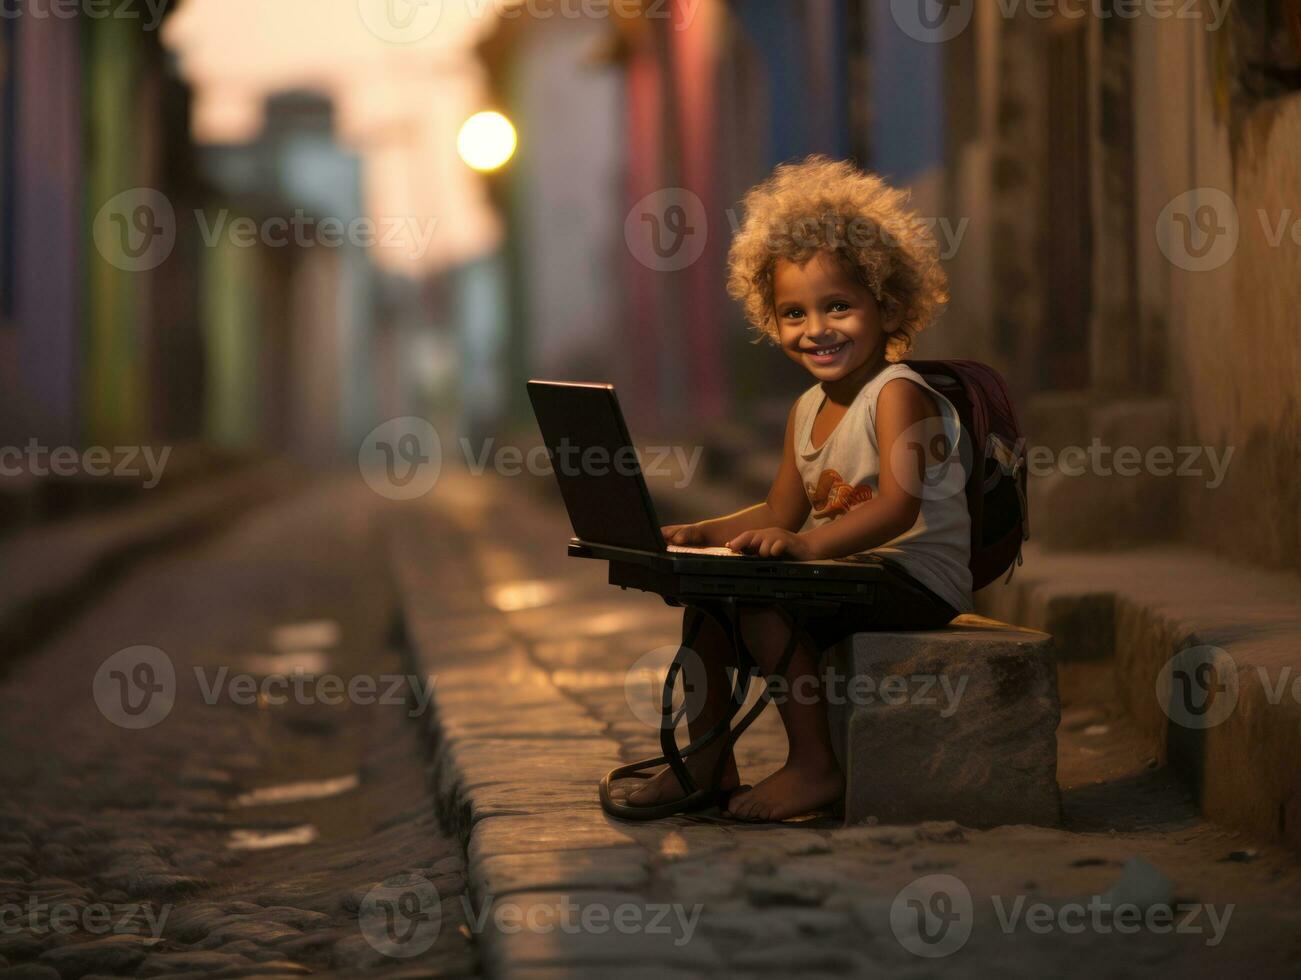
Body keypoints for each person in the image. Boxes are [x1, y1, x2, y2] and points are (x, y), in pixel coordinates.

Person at [628, 156, 973, 821]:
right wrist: (707, 534)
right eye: (793, 313)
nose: (815, 328)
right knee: (706, 600)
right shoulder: (808, 408)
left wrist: (805, 548)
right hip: (853, 569)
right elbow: (779, 509)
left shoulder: (897, 394)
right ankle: (706, 757)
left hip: (915, 577)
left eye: (837, 306)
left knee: (766, 602)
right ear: (771, 319)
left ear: (888, 303)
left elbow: (898, 510)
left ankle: (814, 766)